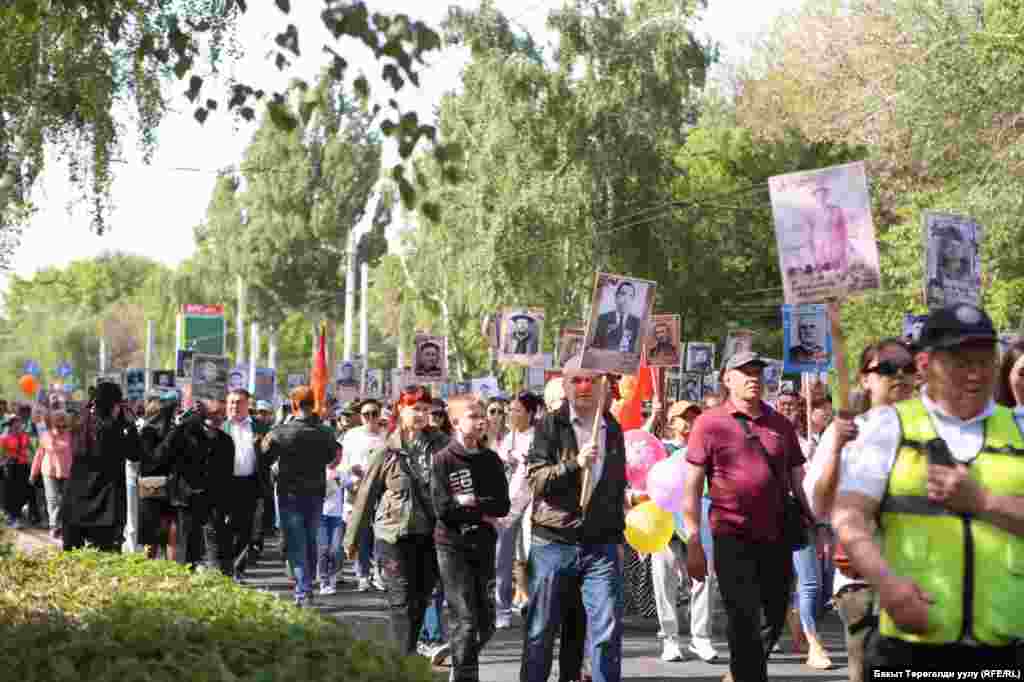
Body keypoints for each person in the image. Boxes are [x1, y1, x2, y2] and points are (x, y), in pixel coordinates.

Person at [832, 304, 1024, 675]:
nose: (975, 374)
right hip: (910, 649)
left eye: (985, 361)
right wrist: (886, 585)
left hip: (1006, 653)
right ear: (924, 365)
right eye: (959, 362)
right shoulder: (887, 427)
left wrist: (983, 502)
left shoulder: (1018, 429)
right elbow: (848, 514)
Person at [682, 351, 818, 682]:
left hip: (777, 535)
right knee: (742, 618)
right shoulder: (709, 422)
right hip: (732, 535)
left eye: (757, 371)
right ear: (727, 378)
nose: (753, 377)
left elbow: (799, 479)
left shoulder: (780, 424)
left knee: (772, 617)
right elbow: (691, 486)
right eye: (745, 371)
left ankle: (740, 671)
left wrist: (817, 522)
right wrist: (693, 541)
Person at [803, 337, 914, 682]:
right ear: (865, 379)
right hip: (865, 586)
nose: (899, 375)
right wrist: (835, 447)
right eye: (886, 369)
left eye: (908, 368)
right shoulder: (851, 431)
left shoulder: (941, 431)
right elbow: (817, 505)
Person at [521, 361, 628, 682]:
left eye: (591, 380)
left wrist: (618, 538)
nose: (584, 387)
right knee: (541, 631)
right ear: (565, 386)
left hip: (601, 545)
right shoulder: (550, 426)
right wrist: (575, 464)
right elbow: (536, 479)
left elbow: (614, 487)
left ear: (603, 386)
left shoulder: (612, 427)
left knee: (606, 631)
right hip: (554, 541)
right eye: (576, 380)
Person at [343, 399, 443, 656]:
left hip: (429, 535)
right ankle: (404, 658)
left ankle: (408, 650)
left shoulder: (441, 447)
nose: (421, 415)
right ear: (401, 411)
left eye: (425, 410)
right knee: (401, 600)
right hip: (393, 536)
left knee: (421, 598)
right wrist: (351, 539)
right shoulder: (386, 451)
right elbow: (365, 495)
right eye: (415, 409)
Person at [432, 395, 511, 682]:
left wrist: (470, 503)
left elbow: (502, 505)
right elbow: (443, 509)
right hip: (452, 546)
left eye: (482, 416)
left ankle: (458, 655)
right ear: (455, 423)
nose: (481, 421)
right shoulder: (443, 459)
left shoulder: (491, 460)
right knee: (464, 619)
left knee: (485, 623)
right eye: (472, 416)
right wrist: (479, 508)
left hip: (484, 545)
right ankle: (465, 675)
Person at [648, 400, 719, 664]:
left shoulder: (707, 451)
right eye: (683, 418)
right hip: (664, 522)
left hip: (697, 521)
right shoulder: (659, 450)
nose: (689, 423)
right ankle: (670, 639)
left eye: (694, 417)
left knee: (705, 577)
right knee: (664, 579)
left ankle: (700, 637)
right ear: (671, 422)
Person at [263, 386, 338, 606]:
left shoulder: (280, 432)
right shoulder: (326, 432)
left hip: (290, 495)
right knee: (310, 540)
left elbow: (265, 454)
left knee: (297, 543)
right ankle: (307, 586)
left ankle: (303, 591)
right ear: (312, 404)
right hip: (315, 493)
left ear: (294, 405)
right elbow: (331, 457)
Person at [63, 382, 143, 552]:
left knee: (73, 562)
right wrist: (129, 424)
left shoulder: (80, 425)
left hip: (76, 503)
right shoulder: (116, 430)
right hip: (106, 507)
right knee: (106, 560)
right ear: (114, 405)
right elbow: (135, 454)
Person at [494, 391, 542, 628]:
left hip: (531, 504)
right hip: (506, 506)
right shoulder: (507, 437)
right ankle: (501, 609)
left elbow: (531, 475)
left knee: (530, 555)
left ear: (531, 413)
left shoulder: (539, 437)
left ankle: (532, 602)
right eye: (510, 410)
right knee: (501, 558)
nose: (511, 414)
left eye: (517, 410)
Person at [341, 398, 390, 592]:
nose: (370, 418)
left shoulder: (386, 436)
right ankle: (362, 574)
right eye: (366, 414)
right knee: (361, 533)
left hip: (380, 492)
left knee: (380, 533)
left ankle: (379, 573)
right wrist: (351, 479)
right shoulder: (352, 436)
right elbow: (344, 463)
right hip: (357, 490)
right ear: (360, 417)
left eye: (374, 414)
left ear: (380, 415)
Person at [222, 388, 270, 581]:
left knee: (245, 529)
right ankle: (224, 568)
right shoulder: (221, 426)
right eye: (231, 402)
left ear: (247, 405)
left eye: (239, 402)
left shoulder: (259, 427)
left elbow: (269, 454)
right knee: (224, 528)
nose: (234, 406)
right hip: (226, 484)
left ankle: (237, 570)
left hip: (250, 483)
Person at [138, 395, 179, 560]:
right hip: (152, 489)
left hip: (171, 487)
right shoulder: (147, 433)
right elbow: (152, 461)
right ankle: (150, 572)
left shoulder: (172, 431)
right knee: (152, 538)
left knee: (172, 533)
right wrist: (169, 438)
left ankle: (172, 569)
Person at [30, 409, 75, 540]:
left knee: (64, 500)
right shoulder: (46, 436)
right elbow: (39, 455)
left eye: (64, 425)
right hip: (49, 471)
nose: (61, 427)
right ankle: (55, 526)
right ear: (53, 424)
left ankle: (60, 525)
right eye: (58, 425)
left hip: (67, 472)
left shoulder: (71, 435)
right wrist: (33, 473)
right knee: (53, 499)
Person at [803, 183, 848, 274]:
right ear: (815, 196)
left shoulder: (836, 209)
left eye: (823, 194)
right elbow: (808, 232)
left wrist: (843, 242)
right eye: (818, 194)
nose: (821, 197)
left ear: (827, 195)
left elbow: (842, 227)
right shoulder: (810, 212)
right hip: (819, 244)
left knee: (838, 267)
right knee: (823, 268)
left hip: (834, 242)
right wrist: (810, 245)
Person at [593, 281, 641, 353]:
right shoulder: (603, 318)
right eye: (623, 294)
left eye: (630, 296)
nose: (626, 299)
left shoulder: (637, 322)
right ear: (616, 296)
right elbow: (596, 345)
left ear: (632, 300)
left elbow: (635, 349)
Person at [1, 414, 31, 528]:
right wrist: (5, 461)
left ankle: (17, 514)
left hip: (23, 466)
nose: (19, 424)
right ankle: (12, 517)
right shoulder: (4, 438)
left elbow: (29, 448)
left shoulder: (24, 436)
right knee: (11, 492)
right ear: (10, 424)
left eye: (19, 422)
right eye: (15, 422)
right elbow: (2, 454)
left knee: (22, 491)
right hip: (11, 466)